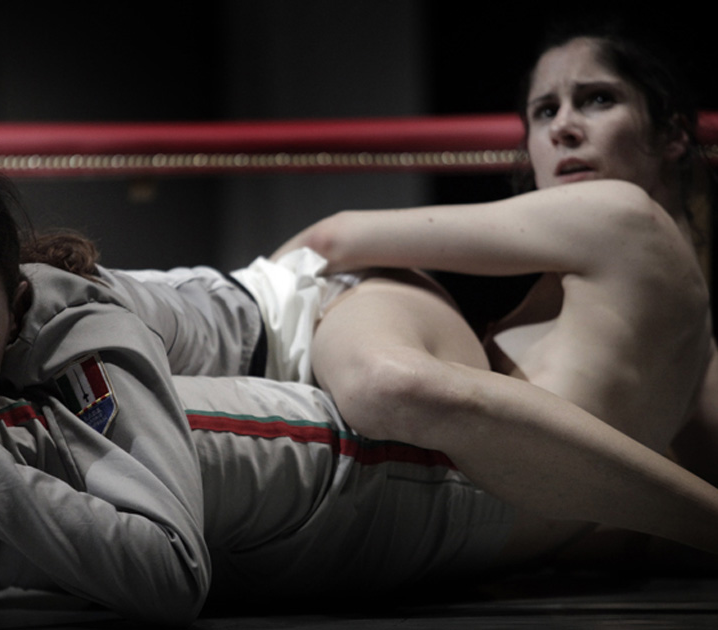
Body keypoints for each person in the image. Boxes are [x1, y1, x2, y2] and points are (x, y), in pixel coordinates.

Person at [0, 168, 519, 624]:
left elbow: (174, 575)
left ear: (16, 309)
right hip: (219, 307)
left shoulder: (80, 345)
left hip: (308, 319)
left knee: (417, 394)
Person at [268, 29, 718, 560]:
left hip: (429, 512)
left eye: (599, 99)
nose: (565, 127)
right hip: (458, 548)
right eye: (545, 111)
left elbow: (331, 240)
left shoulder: (619, 215)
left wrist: (262, 295)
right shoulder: (695, 342)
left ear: (672, 134)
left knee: (387, 286)